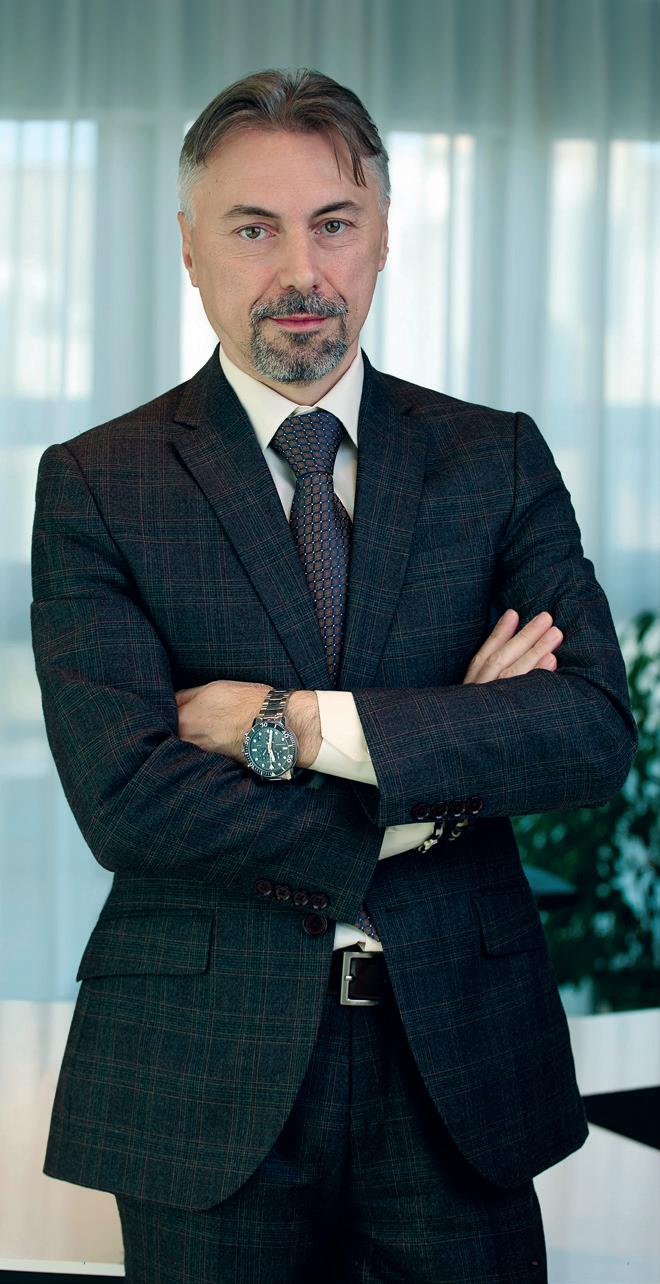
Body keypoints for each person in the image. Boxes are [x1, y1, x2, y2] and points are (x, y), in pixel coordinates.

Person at [31, 68, 637, 1284]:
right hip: (201, 1070)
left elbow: (585, 730)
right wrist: (437, 781)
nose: (300, 271)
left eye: (334, 224)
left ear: (383, 238)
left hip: (458, 1063)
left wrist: (295, 725)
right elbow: (128, 799)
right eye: (254, 229)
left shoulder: (495, 460)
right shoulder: (97, 482)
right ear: (191, 248)